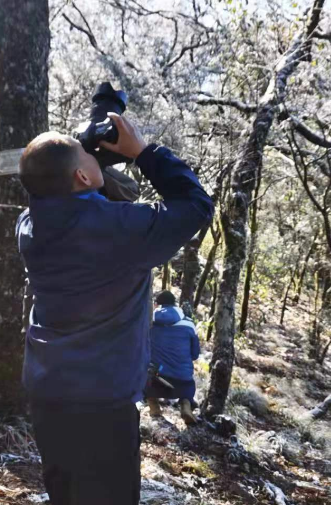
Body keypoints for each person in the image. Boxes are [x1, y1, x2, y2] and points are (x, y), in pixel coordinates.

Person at [16, 113, 214, 505]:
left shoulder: (30, 224)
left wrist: (82, 154)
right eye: (86, 158)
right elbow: (195, 206)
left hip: (48, 391)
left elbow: (58, 186)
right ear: (83, 178)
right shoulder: (120, 230)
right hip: (101, 401)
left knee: (66, 495)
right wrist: (143, 152)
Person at [145, 290, 200, 425]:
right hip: (183, 379)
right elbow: (195, 354)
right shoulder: (188, 324)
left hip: (158, 375)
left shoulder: (149, 323)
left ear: (157, 304)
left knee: (147, 374)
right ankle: (186, 405)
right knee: (186, 385)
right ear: (175, 304)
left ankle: (154, 406)